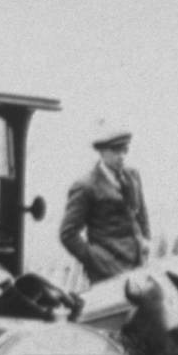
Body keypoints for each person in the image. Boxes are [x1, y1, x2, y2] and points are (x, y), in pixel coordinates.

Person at [59, 119, 150, 283]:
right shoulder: (86, 186)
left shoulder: (133, 176)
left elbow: (141, 214)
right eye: (116, 151)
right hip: (106, 275)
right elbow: (68, 234)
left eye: (125, 150)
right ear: (101, 151)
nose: (122, 156)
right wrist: (96, 260)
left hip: (138, 268)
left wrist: (145, 241)